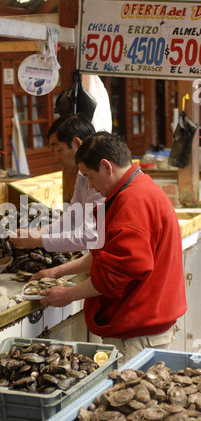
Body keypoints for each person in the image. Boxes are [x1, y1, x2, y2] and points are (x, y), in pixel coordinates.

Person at [36, 131, 187, 363]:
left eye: (90, 177)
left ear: (106, 166)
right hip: (148, 325)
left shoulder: (132, 201)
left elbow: (112, 278)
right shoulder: (139, 185)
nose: (91, 186)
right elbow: (105, 254)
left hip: (138, 334)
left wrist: (67, 295)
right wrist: (58, 271)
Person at [10, 114, 105, 252]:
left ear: (77, 144)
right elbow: (73, 218)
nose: (56, 158)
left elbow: (90, 237)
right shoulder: (82, 175)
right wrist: (38, 233)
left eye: (59, 150)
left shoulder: (100, 177)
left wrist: (39, 240)